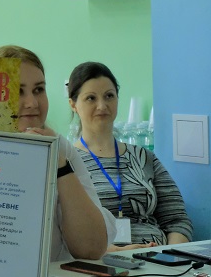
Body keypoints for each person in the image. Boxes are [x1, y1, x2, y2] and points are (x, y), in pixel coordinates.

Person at [0, 46, 114, 261]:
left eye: (38, 90)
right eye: (17, 91)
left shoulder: (60, 147)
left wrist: (59, 163)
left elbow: (91, 248)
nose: (32, 103)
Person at [68, 61, 192, 252]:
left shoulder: (144, 158)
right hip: (100, 261)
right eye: (91, 98)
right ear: (73, 104)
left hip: (156, 260)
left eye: (109, 96)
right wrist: (121, 253)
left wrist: (172, 256)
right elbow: (65, 235)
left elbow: (177, 220)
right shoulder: (67, 163)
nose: (102, 105)